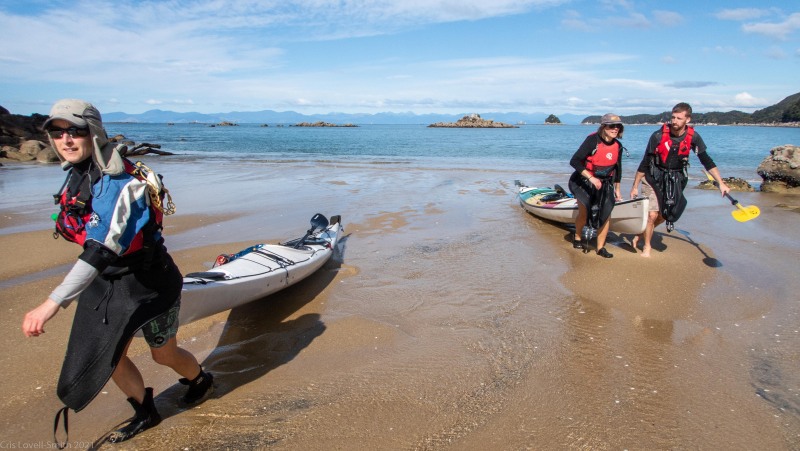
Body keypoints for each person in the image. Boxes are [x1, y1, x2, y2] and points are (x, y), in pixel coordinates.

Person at [21, 99, 213, 443]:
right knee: (108, 356)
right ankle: (145, 410)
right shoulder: (79, 174)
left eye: (75, 131)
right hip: (109, 282)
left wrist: (51, 304)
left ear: (94, 133)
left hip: (150, 283)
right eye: (57, 132)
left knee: (163, 353)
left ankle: (200, 380)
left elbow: (99, 250)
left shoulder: (120, 185)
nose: (66, 140)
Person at [629, 102, 730, 257]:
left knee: (666, 214)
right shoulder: (657, 136)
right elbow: (644, 162)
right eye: (673, 117)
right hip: (653, 176)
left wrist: (721, 183)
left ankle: (641, 234)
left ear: (687, 120)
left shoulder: (693, 137)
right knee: (652, 214)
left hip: (675, 178)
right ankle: (647, 247)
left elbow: (706, 161)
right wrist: (635, 186)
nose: (674, 121)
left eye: (679, 118)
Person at [568, 113, 624, 258]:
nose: (615, 129)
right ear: (603, 126)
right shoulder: (592, 141)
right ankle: (578, 237)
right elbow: (574, 161)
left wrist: (617, 189)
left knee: (605, 215)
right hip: (584, 182)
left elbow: (618, 169)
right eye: (612, 126)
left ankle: (600, 248)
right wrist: (591, 178)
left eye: (618, 126)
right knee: (585, 212)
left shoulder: (618, 146)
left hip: (605, 184)